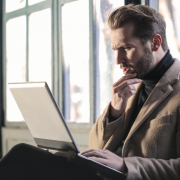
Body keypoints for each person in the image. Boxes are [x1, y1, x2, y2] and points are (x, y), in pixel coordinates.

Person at [0, 4, 180, 180]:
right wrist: (115, 112)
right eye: (116, 50)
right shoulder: (132, 85)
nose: (118, 60)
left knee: (22, 157)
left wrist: (125, 165)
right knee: (23, 157)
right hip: (98, 175)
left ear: (155, 43)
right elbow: (96, 147)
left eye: (126, 48)